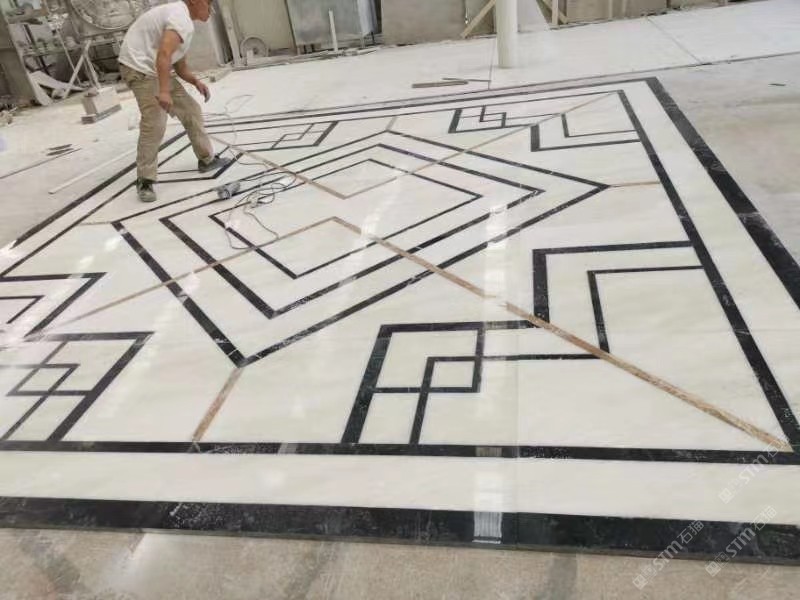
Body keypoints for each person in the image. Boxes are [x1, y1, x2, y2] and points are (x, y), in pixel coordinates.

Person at [118, 0, 230, 203]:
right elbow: (164, 54)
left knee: (191, 109)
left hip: (153, 68)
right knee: (155, 122)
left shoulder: (184, 21)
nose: (211, 9)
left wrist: (195, 81)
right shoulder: (180, 17)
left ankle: (206, 159)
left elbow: (179, 66)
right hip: (139, 68)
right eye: (208, 3)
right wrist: (163, 91)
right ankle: (145, 180)